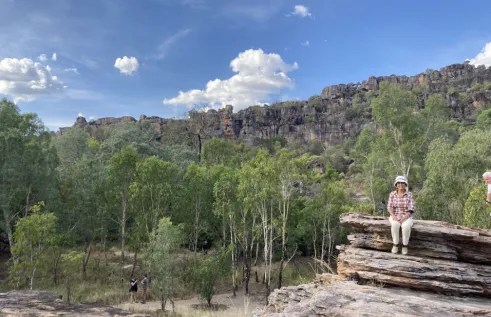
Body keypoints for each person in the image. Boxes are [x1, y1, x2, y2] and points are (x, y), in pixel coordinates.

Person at [387, 176, 415, 255]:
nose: (400, 184)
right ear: (396, 184)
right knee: (395, 225)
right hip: (395, 215)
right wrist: (393, 216)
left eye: (402, 183)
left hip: (407, 216)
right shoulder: (392, 194)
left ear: (405, 184)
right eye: (398, 183)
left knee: (405, 226)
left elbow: (411, 208)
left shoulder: (409, 194)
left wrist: (403, 219)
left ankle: (404, 246)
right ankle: (395, 245)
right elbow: (389, 207)